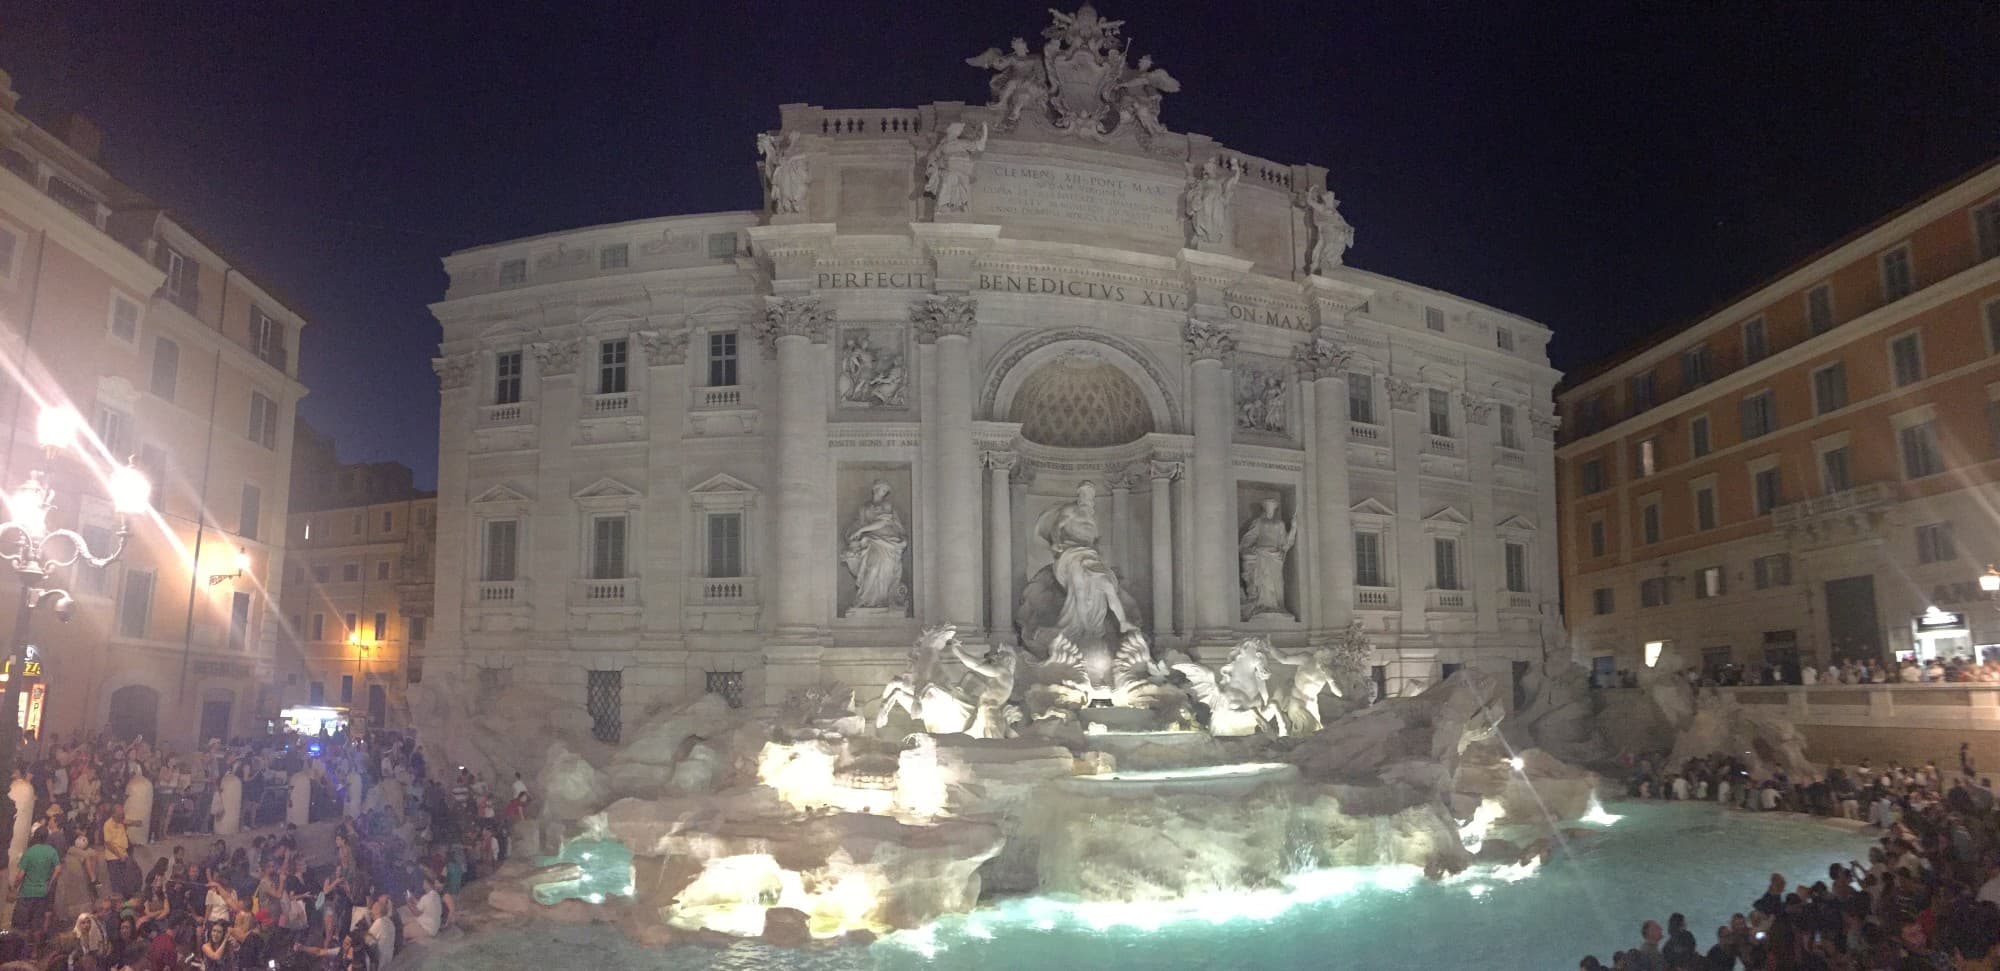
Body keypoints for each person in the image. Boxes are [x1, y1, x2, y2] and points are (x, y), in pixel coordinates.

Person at [10, 832, 61, 947]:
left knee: (22, 925)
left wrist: (14, 888)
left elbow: (20, 875)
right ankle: (35, 952)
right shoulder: (52, 851)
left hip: (26, 893)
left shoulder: (29, 852)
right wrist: (50, 883)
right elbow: (58, 869)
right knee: (37, 925)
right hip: (42, 893)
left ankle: (22, 950)